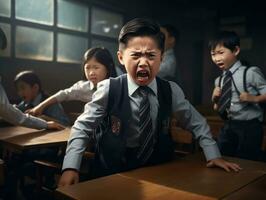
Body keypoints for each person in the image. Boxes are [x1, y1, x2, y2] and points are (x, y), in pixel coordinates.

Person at [58, 18, 241, 187]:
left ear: (161, 57)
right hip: (111, 172)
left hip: (158, 171)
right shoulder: (108, 88)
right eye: (136, 55)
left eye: (151, 56)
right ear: (121, 58)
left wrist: (213, 154)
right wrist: (71, 167)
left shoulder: (171, 90)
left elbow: (197, 123)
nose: (143, 63)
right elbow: (83, 127)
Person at [210, 31, 266, 161]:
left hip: (249, 127)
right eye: (213, 54)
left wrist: (254, 98)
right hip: (229, 125)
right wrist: (215, 99)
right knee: (223, 158)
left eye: (221, 53)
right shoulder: (219, 80)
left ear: (235, 50)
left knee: (247, 163)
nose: (216, 58)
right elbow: (217, 108)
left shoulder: (250, 72)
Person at [0, 28, 63, 130]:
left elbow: (65, 123)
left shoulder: (49, 102)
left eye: (23, 88)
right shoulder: (25, 103)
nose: (20, 93)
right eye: (18, 89)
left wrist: (44, 119)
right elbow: (9, 111)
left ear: (35, 87)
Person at [27, 47, 117, 118]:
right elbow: (64, 94)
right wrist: (40, 107)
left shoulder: (117, 87)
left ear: (108, 68)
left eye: (96, 67)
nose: (91, 72)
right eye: (87, 68)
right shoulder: (83, 87)